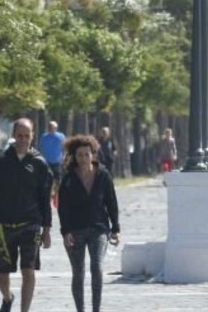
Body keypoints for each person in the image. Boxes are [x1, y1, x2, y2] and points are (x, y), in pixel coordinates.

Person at [0, 118, 53, 312]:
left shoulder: (40, 164)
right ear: (13, 136)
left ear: (33, 136)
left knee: (28, 271)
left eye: (27, 136)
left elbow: (45, 199)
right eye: (20, 135)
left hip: (31, 225)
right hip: (3, 226)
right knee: (1, 275)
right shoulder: (0, 164)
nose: (24, 140)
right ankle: (7, 297)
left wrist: (47, 229)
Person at [57, 134, 120, 312]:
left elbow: (111, 202)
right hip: (75, 230)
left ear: (93, 154)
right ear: (74, 157)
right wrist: (65, 231)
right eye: (79, 155)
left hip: (99, 228)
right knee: (78, 272)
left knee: (97, 267)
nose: (83, 158)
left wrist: (115, 228)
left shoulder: (103, 175)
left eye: (86, 154)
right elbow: (63, 208)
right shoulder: (68, 179)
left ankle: (96, 309)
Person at [39, 121, 67, 186]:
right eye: (49, 127)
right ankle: (48, 193)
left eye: (52, 127)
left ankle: (57, 194)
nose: (50, 129)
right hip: (46, 162)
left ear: (56, 128)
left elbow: (65, 148)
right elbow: (40, 147)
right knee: (46, 179)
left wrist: (64, 157)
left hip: (57, 162)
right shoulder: (44, 136)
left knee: (58, 179)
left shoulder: (61, 136)